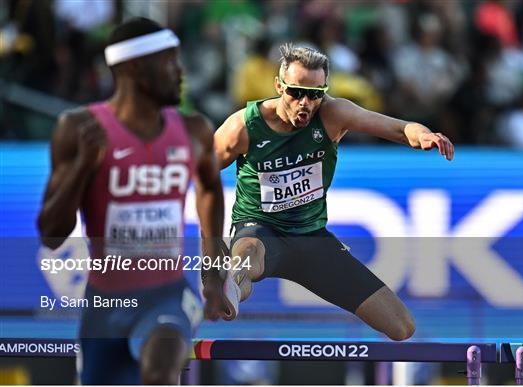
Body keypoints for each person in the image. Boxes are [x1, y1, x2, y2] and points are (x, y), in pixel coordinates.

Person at [212, 43, 454, 341]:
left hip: (312, 239)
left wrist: (424, 136)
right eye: (296, 92)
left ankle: (233, 279)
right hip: (261, 229)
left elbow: (398, 128)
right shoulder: (243, 127)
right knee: (249, 255)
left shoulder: (333, 114)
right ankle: (229, 284)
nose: (305, 103)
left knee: (402, 327)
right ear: (278, 86)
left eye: (315, 94)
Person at [37, 18, 225, 384]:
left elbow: (210, 189)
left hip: (167, 296)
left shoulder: (194, 131)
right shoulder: (78, 129)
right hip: (105, 305)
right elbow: (51, 235)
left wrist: (214, 273)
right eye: (171, 62)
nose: (181, 73)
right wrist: (82, 168)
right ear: (136, 68)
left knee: (160, 371)